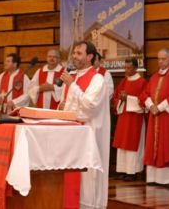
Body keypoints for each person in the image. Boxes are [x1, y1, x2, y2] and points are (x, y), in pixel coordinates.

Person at [59, 41, 110, 209]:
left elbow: (89, 107)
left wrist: (71, 86)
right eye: (74, 53)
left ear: (90, 57)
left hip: (90, 136)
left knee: (88, 178)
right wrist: (62, 106)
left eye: (79, 53)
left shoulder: (97, 79)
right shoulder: (74, 77)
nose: (74, 56)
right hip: (72, 137)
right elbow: (71, 107)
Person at [141, 48, 169, 184]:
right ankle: (154, 178)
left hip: (167, 118)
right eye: (158, 59)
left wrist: (159, 107)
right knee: (153, 145)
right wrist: (150, 105)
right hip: (154, 116)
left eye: (163, 59)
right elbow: (145, 94)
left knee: (168, 144)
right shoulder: (154, 77)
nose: (160, 62)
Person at [112, 57, 147, 181]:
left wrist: (129, 99)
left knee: (132, 144)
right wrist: (120, 100)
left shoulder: (142, 82)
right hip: (123, 117)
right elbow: (116, 97)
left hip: (134, 118)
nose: (126, 70)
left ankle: (132, 172)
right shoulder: (124, 81)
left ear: (136, 68)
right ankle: (122, 170)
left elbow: (143, 100)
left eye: (129, 68)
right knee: (122, 144)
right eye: (125, 68)